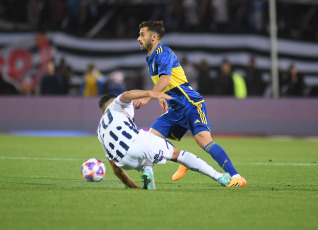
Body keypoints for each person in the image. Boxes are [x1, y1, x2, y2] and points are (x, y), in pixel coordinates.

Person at [134, 20, 246, 187]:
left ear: (154, 36)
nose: (138, 38)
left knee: (203, 141)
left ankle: (237, 177)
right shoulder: (150, 57)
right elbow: (166, 83)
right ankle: (183, 160)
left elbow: (166, 79)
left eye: (142, 34)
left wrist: (147, 98)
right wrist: (161, 96)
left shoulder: (163, 53)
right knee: (151, 140)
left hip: (190, 103)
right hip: (175, 107)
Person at [97, 89, 232, 189]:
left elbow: (115, 169)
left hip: (123, 161)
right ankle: (219, 176)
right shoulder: (118, 104)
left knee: (146, 151)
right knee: (178, 155)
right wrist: (151, 93)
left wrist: (133, 187)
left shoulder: (100, 129)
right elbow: (126, 95)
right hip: (136, 143)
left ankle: (147, 172)